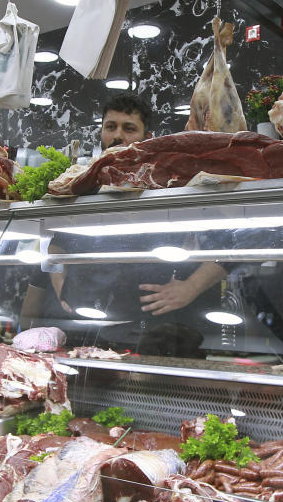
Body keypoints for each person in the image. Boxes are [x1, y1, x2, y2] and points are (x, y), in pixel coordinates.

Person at [20, 92, 227, 354]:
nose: (118, 136)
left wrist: (192, 286)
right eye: (111, 127)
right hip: (83, 329)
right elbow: (55, 242)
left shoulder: (169, 183)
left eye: (129, 128)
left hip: (150, 332)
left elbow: (233, 240)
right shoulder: (82, 185)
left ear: (147, 137)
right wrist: (62, 283)